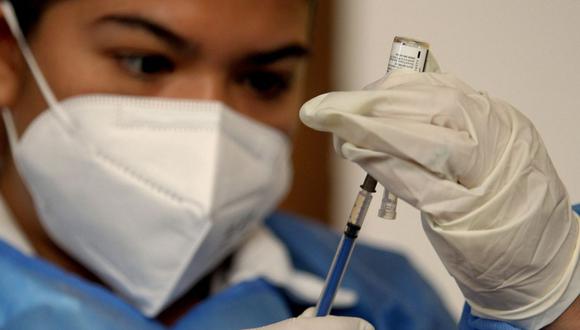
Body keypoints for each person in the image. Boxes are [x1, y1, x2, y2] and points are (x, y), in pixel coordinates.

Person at [0, 0, 577, 329]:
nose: (212, 119)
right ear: (7, 56)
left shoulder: (380, 297)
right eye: (147, 62)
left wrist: (549, 300)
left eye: (263, 79)